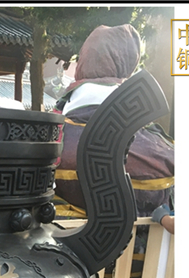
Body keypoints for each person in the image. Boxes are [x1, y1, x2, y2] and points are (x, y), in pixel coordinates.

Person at [53, 24, 175, 220]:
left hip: (57, 235)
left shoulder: (49, 136)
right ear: (129, 62)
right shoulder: (158, 147)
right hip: (138, 238)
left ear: (83, 61)